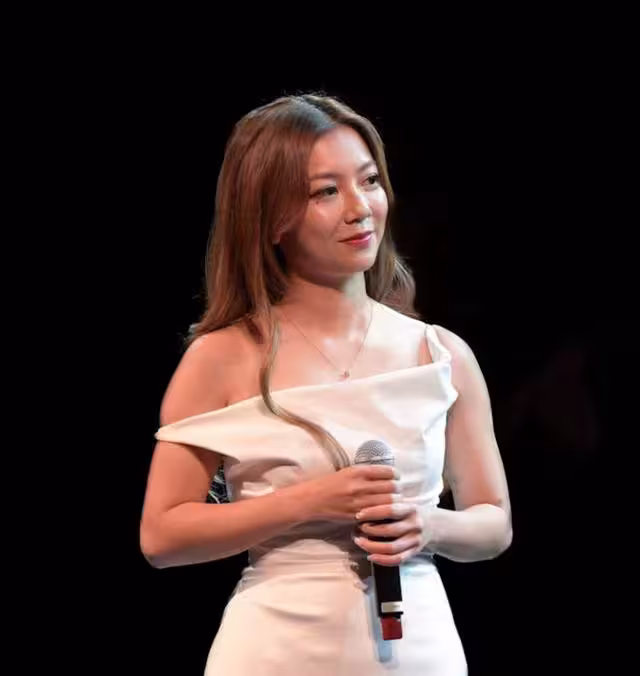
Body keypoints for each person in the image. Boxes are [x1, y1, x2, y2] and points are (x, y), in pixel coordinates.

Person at [139, 93, 512, 675]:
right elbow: (163, 535)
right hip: (275, 646)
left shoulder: (440, 354)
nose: (360, 208)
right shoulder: (222, 357)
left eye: (369, 181)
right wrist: (311, 501)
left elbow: (493, 521)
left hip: (417, 646)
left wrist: (428, 525)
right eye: (325, 192)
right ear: (270, 218)